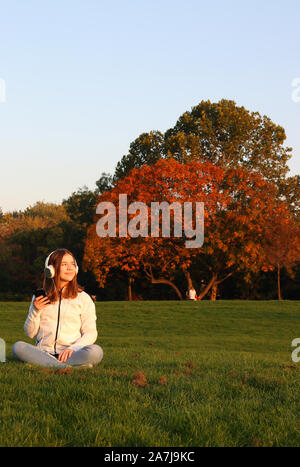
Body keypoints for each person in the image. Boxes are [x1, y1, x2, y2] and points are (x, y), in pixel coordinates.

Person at [12, 248, 104, 368]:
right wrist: (35, 311)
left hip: (72, 353)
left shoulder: (83, 298)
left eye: (72, 264)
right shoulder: (40, 297)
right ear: (51, 269)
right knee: (18, 347)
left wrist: (73, 348)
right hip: (44, 352)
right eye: (64, 264)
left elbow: (91, 333)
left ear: (76, 269)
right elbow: (30, 333)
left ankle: (50, 365)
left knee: (96, 351)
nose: (70, 268)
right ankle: (65, 366)